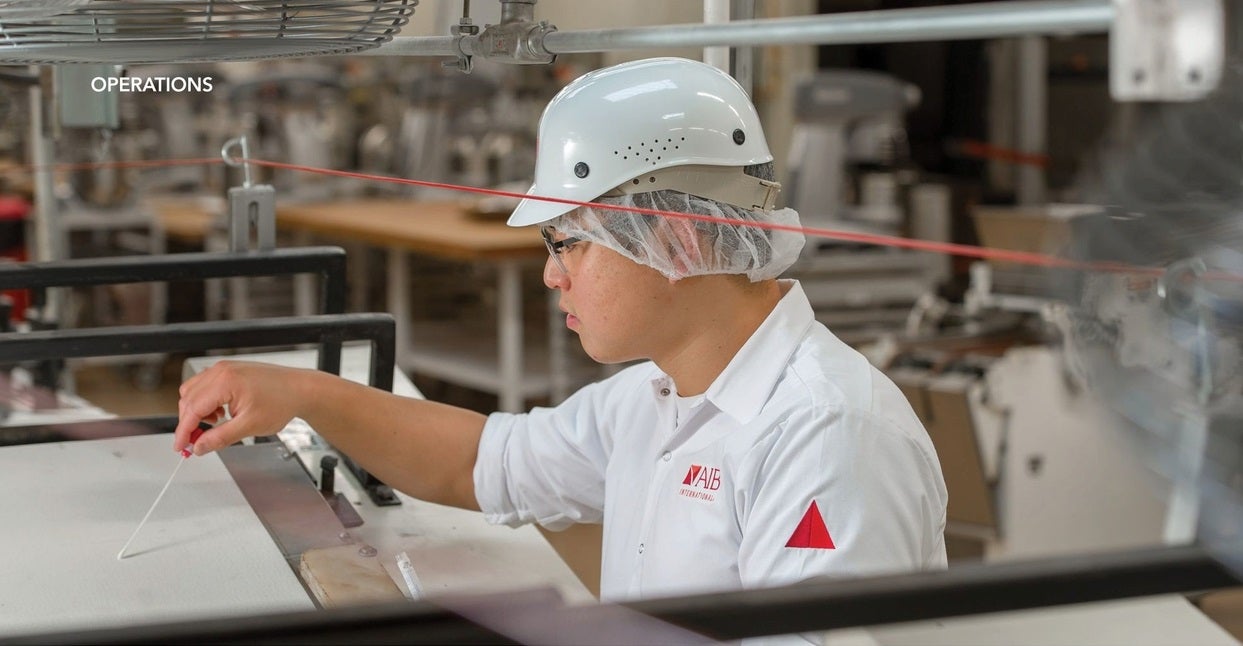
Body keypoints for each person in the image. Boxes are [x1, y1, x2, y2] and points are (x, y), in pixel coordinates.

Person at [175, 57, 947, 605]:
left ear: (675, 237)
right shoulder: (657, 396)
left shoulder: (823, 434)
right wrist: (300, 393)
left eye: (568, 242)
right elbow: (483, 460)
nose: (552, 275)